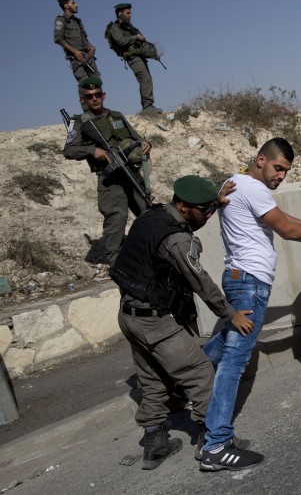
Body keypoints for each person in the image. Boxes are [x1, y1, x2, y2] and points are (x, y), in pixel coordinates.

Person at [199, 138, 301, 472]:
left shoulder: (237, 183)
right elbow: (285, 230)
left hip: (242, 279)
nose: (281, 176)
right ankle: (216, 444)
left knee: (225, 342)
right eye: (278, 168)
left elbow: (281, 217)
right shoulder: (251, 188)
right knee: (234, 361)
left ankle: (179, 376)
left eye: (286, 171)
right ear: (260, 160)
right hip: (249, 283)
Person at [110, 175, 255, 470]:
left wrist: (216, 199)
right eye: (206, 210)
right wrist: (231, 313)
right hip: (156, 323)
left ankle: (155, 444)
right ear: (185, 207)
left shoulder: (152, 215)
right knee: (200, 374)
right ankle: (214, 441)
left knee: (153, 379)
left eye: (213, 209)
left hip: (129, 316)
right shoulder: (177, 239)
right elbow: (201, 281)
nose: (210, 215)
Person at [63, 77, 152, 266]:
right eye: (89, 97)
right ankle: (115, 260)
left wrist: (146, 144)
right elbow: (69, 150)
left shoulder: (117, 116)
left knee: (148, 212)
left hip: (130, 172)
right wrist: (92, 151)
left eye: (97, 95)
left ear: (103, 95)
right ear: (82, 100)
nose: (94, 99)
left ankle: (153, 248)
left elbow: (136, 138)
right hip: (110, 178)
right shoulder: (78, 122)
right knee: (116, 217)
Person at [106, 3, 162, 114]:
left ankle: (148, 106)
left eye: (130, 12)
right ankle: (147, 107)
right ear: (120, 14)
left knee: (147, 78)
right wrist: (136, 37)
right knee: (145, 79)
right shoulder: (115, 27)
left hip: (139, 56)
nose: (130, 15)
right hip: (132, 57)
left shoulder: (131, 28)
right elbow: (121, 41)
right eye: (128, 13)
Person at [53, 0, 100, 109]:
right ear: (66, 5)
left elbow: (84, 38)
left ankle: (98, 108)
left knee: (97, 81)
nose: (76, 5)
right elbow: (58, 39)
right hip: (76, 58)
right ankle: (87, 111)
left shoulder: (78, 21)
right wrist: (74, 52)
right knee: (84, 83)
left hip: (88, 56)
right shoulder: (61, 20)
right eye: (73, 3)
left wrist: (91, 46)